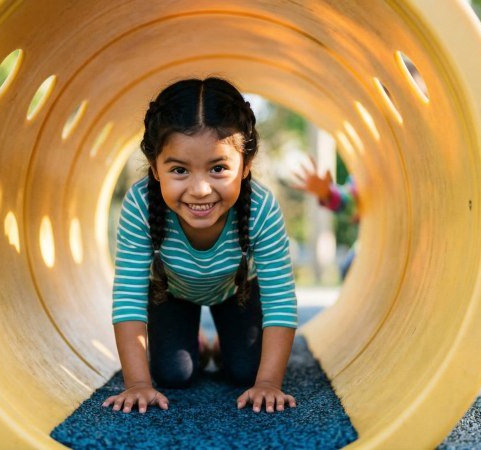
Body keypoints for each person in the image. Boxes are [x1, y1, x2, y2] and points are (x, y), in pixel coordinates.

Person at [102, 77, 298, 415]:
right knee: (174, 375)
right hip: (171, 293)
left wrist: (268, 383)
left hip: (238, 291)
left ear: (245, 165)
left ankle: (223, 344)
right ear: (155, 168)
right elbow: (128, 297)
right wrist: (137, 384)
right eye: (179, 169)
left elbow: (279, 299)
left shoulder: (261, 209)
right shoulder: (140, 206)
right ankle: (196, 343)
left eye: (219, 168)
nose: (201, 189)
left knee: (246, 372)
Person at [291, 157, 358, 279]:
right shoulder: (369, 174)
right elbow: (350, 200)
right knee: (349, 268)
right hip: (372, 244)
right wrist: (328, 194)